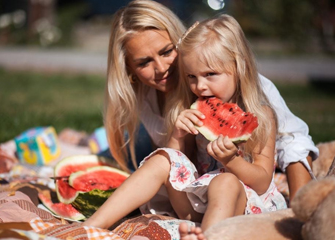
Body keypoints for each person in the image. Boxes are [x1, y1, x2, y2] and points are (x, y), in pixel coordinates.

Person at [84, 14, 288, 233]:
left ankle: (207, 237)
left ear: (239, 67)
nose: (199, 86)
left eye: (210, 74)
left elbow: (262, 182)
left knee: (225, 181)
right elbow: (178, 164)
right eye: (191, 76)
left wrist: (232, 160)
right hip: (195, 206)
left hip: (245, 207)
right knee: (163, 159)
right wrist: (177, 136)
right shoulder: (193, 107)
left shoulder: (261, 115)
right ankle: (92, 226)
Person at [99, 0, 317, 204]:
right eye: (144, 62)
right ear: (130, 70)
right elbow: (174, 161)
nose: (161, 68)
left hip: (250, 174)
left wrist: (299, 212)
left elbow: (292, 140)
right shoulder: (145, 97)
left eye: (167, 51)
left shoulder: (244, 87)